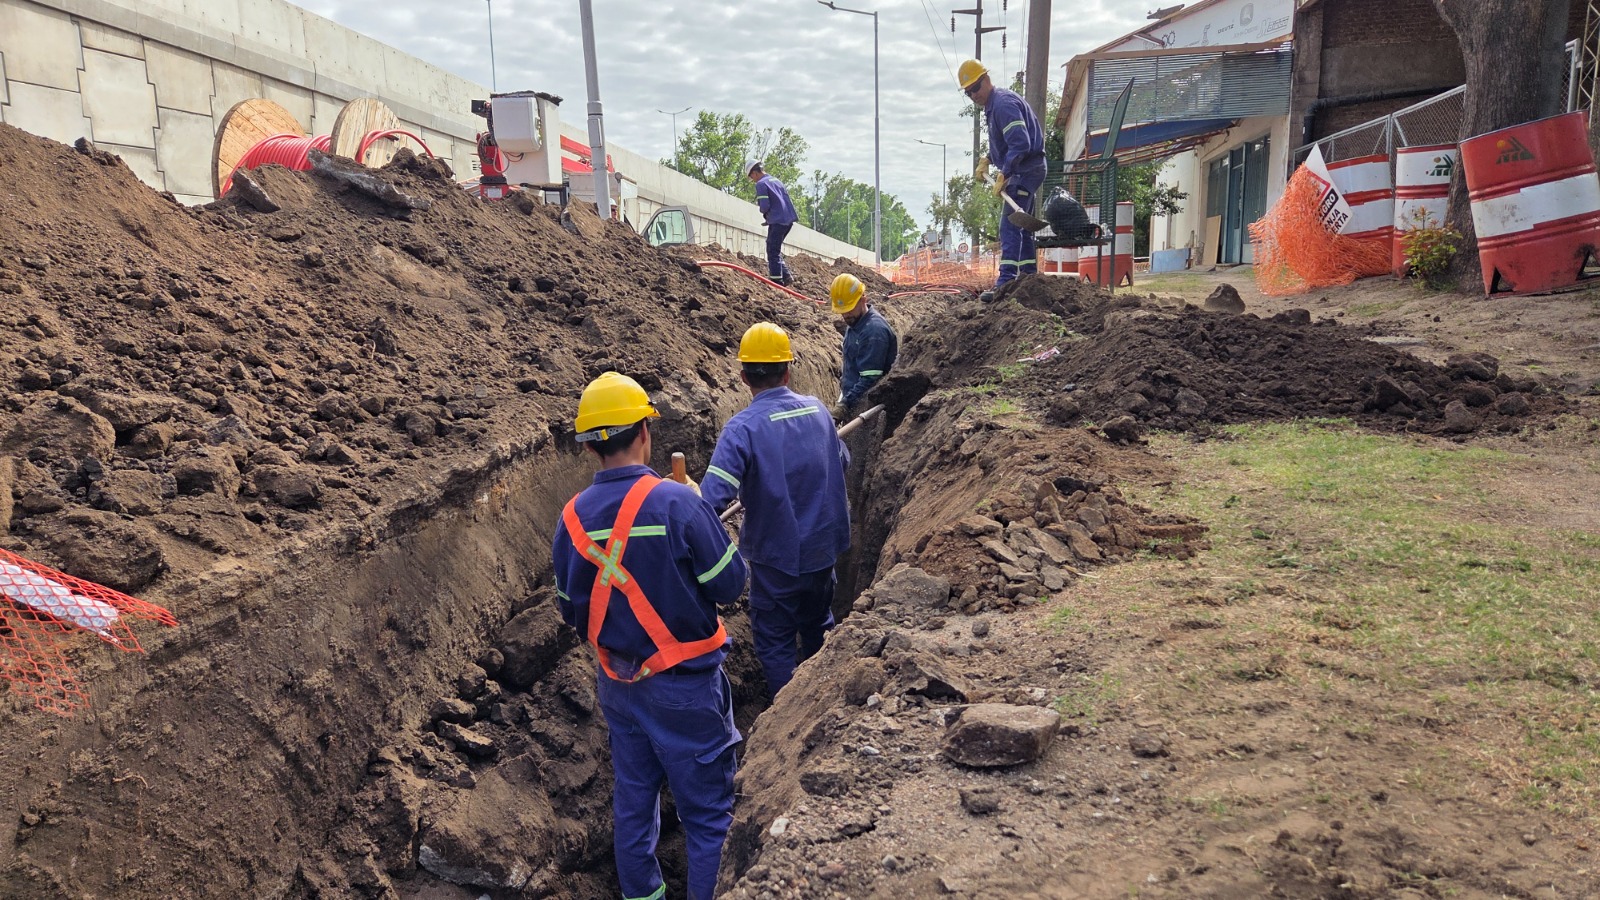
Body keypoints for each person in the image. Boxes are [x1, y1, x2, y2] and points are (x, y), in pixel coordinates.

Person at [551, 371, 747, 900]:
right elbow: (729, 584)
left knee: (634, 800)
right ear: (645, 431)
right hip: (685, 688)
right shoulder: (678, 503)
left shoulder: (570, 520)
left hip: (620, 685)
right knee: (708, 818)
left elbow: (571, 611)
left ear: (591, 444)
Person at [702, 323, 850, 697]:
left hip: (777, 558)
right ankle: (823, 697)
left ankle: (785, 711)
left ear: (743, 376)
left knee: (775, 639)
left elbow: (710, 501)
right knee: (819, 623)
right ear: (787, 370)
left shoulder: (742, 429)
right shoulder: (818, 411)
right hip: (823, 550)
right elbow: (842, 462)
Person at [959, 59, 1047, 300]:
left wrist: (1005, 172)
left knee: (1009, 224)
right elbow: (1005, 142)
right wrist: (988, 158)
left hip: (1025, 171)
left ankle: (1006, 281)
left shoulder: (1003, 105)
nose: (973, 95)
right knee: (1023, 225)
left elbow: (1020, 143)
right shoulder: (994, 106)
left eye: (975, 87)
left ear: (986, 79)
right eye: (968, 93)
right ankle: (1029, 276)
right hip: (1026, 169)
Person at [829, 274, 898, 421]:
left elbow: (870, 378)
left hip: (867, 409)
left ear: (863, 299)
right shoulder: (855, 322)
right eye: (843, 310)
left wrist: (844, 405)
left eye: (850, 309)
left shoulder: (874, 331)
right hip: (854, 399)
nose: (846, 315)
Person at [748, 161, 798, 286]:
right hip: (788, 220)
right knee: (775, 249)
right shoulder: (776, 181)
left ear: (755, 172)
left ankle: (776, 282)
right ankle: (786, 276)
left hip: (777, 221)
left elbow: (764, 206)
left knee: (772, 250)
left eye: (751, 177)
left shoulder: (761, 184)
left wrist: (764, 212)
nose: (752, 180)